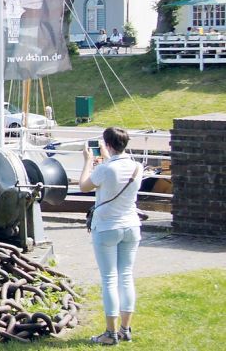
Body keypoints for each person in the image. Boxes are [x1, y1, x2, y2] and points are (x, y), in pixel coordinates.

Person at [79, 127, 142, 345]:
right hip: (131, 226)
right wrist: (107, 159)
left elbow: (84, 186)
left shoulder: (105, 169)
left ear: (107, 144)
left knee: (109, 280)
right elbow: (116, 172)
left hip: (107, 227)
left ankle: (110, 333)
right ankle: (125, 329)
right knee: (126, 276)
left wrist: (88, 160)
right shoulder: (137, 167)